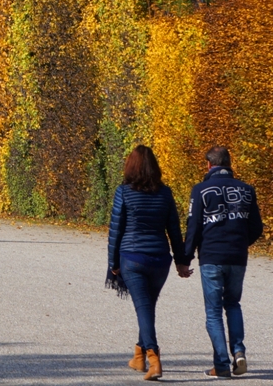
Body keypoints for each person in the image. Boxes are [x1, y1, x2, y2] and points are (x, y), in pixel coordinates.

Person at [107, 145, 193, 381]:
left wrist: (113, 263)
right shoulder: (165, 193)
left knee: (144, 308)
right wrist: (180, 261)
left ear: (130, 166)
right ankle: (138, 356)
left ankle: (154, 360)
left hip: (132, 258)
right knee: (146, 308)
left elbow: (116, 230)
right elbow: (174, 230)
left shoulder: (123, 192)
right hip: (159, 260)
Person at [184, 146, 264, 378]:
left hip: (211, 256)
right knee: (233, 304)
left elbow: (194, 227)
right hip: (237, 256)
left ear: (209, 165)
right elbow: (256, 227)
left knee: (213, 311)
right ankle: (238, 351)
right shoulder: (247, 190)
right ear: (229, 163)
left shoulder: (200, 190)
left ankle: (220, 364)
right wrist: (240, 243)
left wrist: (185, 258)